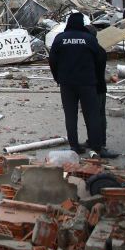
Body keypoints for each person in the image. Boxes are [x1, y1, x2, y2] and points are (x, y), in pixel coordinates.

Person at [49, 12, 115, 158]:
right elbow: (99, 60)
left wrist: (57, 78)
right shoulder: (89, 39)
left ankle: (74, 146)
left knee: (70, 115)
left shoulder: (60, 38)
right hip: (87, 83)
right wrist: (96, 79)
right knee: (92, 115)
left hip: (67, 84)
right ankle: (97, 147)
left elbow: (52, 60)